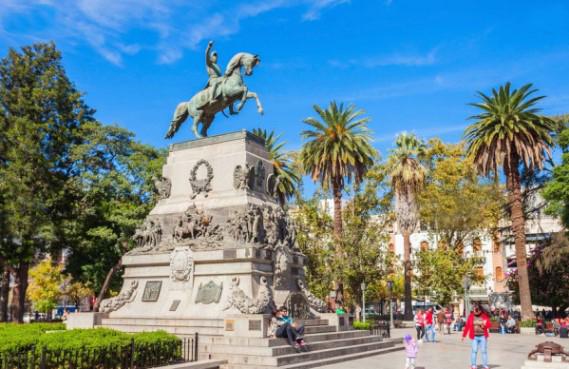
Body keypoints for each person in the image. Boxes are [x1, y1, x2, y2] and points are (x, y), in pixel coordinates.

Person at [462, 303, 491, 369]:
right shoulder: (471, 316)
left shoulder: (484, 316)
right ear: (473, 310)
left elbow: (489, 324)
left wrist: (485, 325)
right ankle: (473, 365)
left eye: (477, 309)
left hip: (483, 336)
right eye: (475, 309)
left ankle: (485, 365)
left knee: (484, 351)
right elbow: (467, 326)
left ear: (480, 310)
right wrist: (464, 335)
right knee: (474, 351)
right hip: (474, 337)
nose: (476, 311)